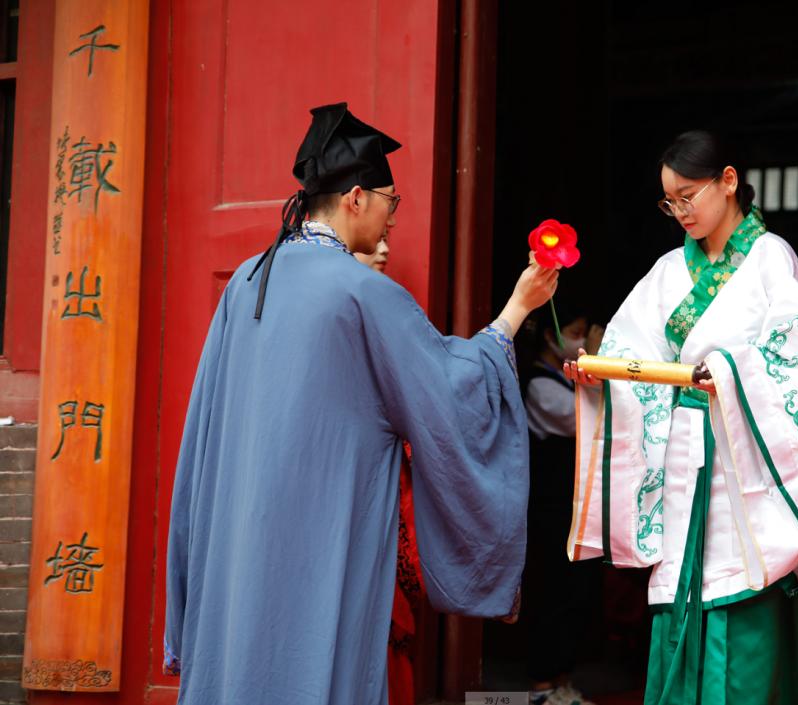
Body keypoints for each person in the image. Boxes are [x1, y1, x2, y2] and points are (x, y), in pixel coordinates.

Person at [163, 102, 559, 705]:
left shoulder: (247, 281)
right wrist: (516, 310)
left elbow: (203, 431)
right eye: (390, 201)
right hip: (321, 546)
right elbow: (452, 390)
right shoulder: (363, 292)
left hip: (238, 542)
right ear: (355, 198)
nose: (393, 219)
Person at [564, 130, 798, 703]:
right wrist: (598, 375)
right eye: (669, 202)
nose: (679, 212)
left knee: (742, 600)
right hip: (685, 465)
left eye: (688, 196)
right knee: (683, 592)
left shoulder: (770, 258)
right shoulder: (666, 272)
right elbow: (634, 353)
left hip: (743, 469)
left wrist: (730, 372)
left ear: (728, 182)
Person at [521, 303, 602, 705]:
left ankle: (562, 681)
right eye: (575, 331)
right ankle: (541, 686)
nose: (581, 340)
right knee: (551, 592)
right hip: (549, 506)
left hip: (575, 505)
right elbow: (585, 420)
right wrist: (601, 365)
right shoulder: (539, 384)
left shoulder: (564, 378)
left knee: (575, 593)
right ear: (552, 337)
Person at [354, 237, 421, 705]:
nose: (383, 250)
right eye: (372, 241)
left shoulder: (395, 317)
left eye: (388, 239)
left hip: (391, 485)